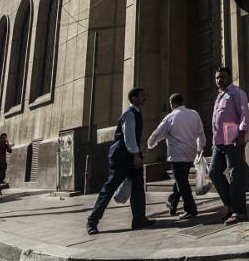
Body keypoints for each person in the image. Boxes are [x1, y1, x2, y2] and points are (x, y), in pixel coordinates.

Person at [86, 87, 154, 234]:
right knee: (109, 188)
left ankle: (139, 219)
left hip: (132, 155)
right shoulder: (129, 114)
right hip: (122, 157)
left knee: (138, 189)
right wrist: (136, 156)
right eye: (142, 95)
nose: (145, 98)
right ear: (134, 98)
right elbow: (128, 136)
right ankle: (92, 221)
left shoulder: (136, 112)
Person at [147, 93, 207, 220]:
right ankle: (172, 202)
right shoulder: (194, 114)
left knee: (182, 182)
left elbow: (158, 133)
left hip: (177, 155)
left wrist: (150, 144)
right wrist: (200, 148)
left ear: (172, 104)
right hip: (190, 153)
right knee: (181, 180)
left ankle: (190, 208)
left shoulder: (171, 117)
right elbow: (200, 133)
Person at [209, 66, 249, 226]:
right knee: (213, 173)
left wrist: (241, 134)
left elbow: (245, 114)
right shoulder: (219, 96)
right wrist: (213, 141)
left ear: (229, 77)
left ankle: (239, 212)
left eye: (223, 77)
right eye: (217, 78)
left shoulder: (237, 93)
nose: (219, 80)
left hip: (233, 140)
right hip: (218, 142)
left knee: (235, 176)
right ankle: (231, 205)